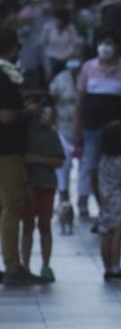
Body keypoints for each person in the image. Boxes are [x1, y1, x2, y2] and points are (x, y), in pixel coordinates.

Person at [74, 32, 121, 221]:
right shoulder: (88, 67)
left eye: (109, 42)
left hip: (117, 131)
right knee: (91, 166)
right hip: (91, 127)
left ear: (117, 46)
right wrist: (77, 127)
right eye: (102, 42)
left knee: (117, 168)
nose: (105, 46)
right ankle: (93, 201)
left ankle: (114, 202)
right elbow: (80, 100)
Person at [0, 27, 43, 285]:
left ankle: (10, 263)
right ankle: (13, 266)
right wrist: (29, 112)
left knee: (5, 206)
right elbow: (5, 116)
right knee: (14, 205)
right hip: (6, 151)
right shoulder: (4, 78)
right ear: (13, 49)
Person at [20, 92, 64, 282]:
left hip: (46, 185)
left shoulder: (51, 133)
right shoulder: (23, 132)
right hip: (27, 185)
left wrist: (36, 160)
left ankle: (46, 265)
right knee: (27, 226)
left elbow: (60, 160)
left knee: (44, 225)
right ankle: (25, 265)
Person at [94, 120, 121, 280]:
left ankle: (107, 268)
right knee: (117, 236)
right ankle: (116, 268)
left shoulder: (104, 158)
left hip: (106, 200)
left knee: (106, 234)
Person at [49, 44, 82, 232]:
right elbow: (51, 99)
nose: (74, 61)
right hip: (63, 125)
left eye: (76, 57)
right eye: (70, 57)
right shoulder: (60, 79)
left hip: (86, 128)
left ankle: (83, 200)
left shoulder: (89, 75)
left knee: (85, 167)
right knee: (64, 164)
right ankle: (63, 196)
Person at [40, 5, 78, 79]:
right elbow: (43, 45)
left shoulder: (71, 28)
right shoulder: (48, 27)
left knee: (68, 80)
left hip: (67, 59)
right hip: (51, 59)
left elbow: (74, 44)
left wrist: (70, 55)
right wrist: (47, 69)